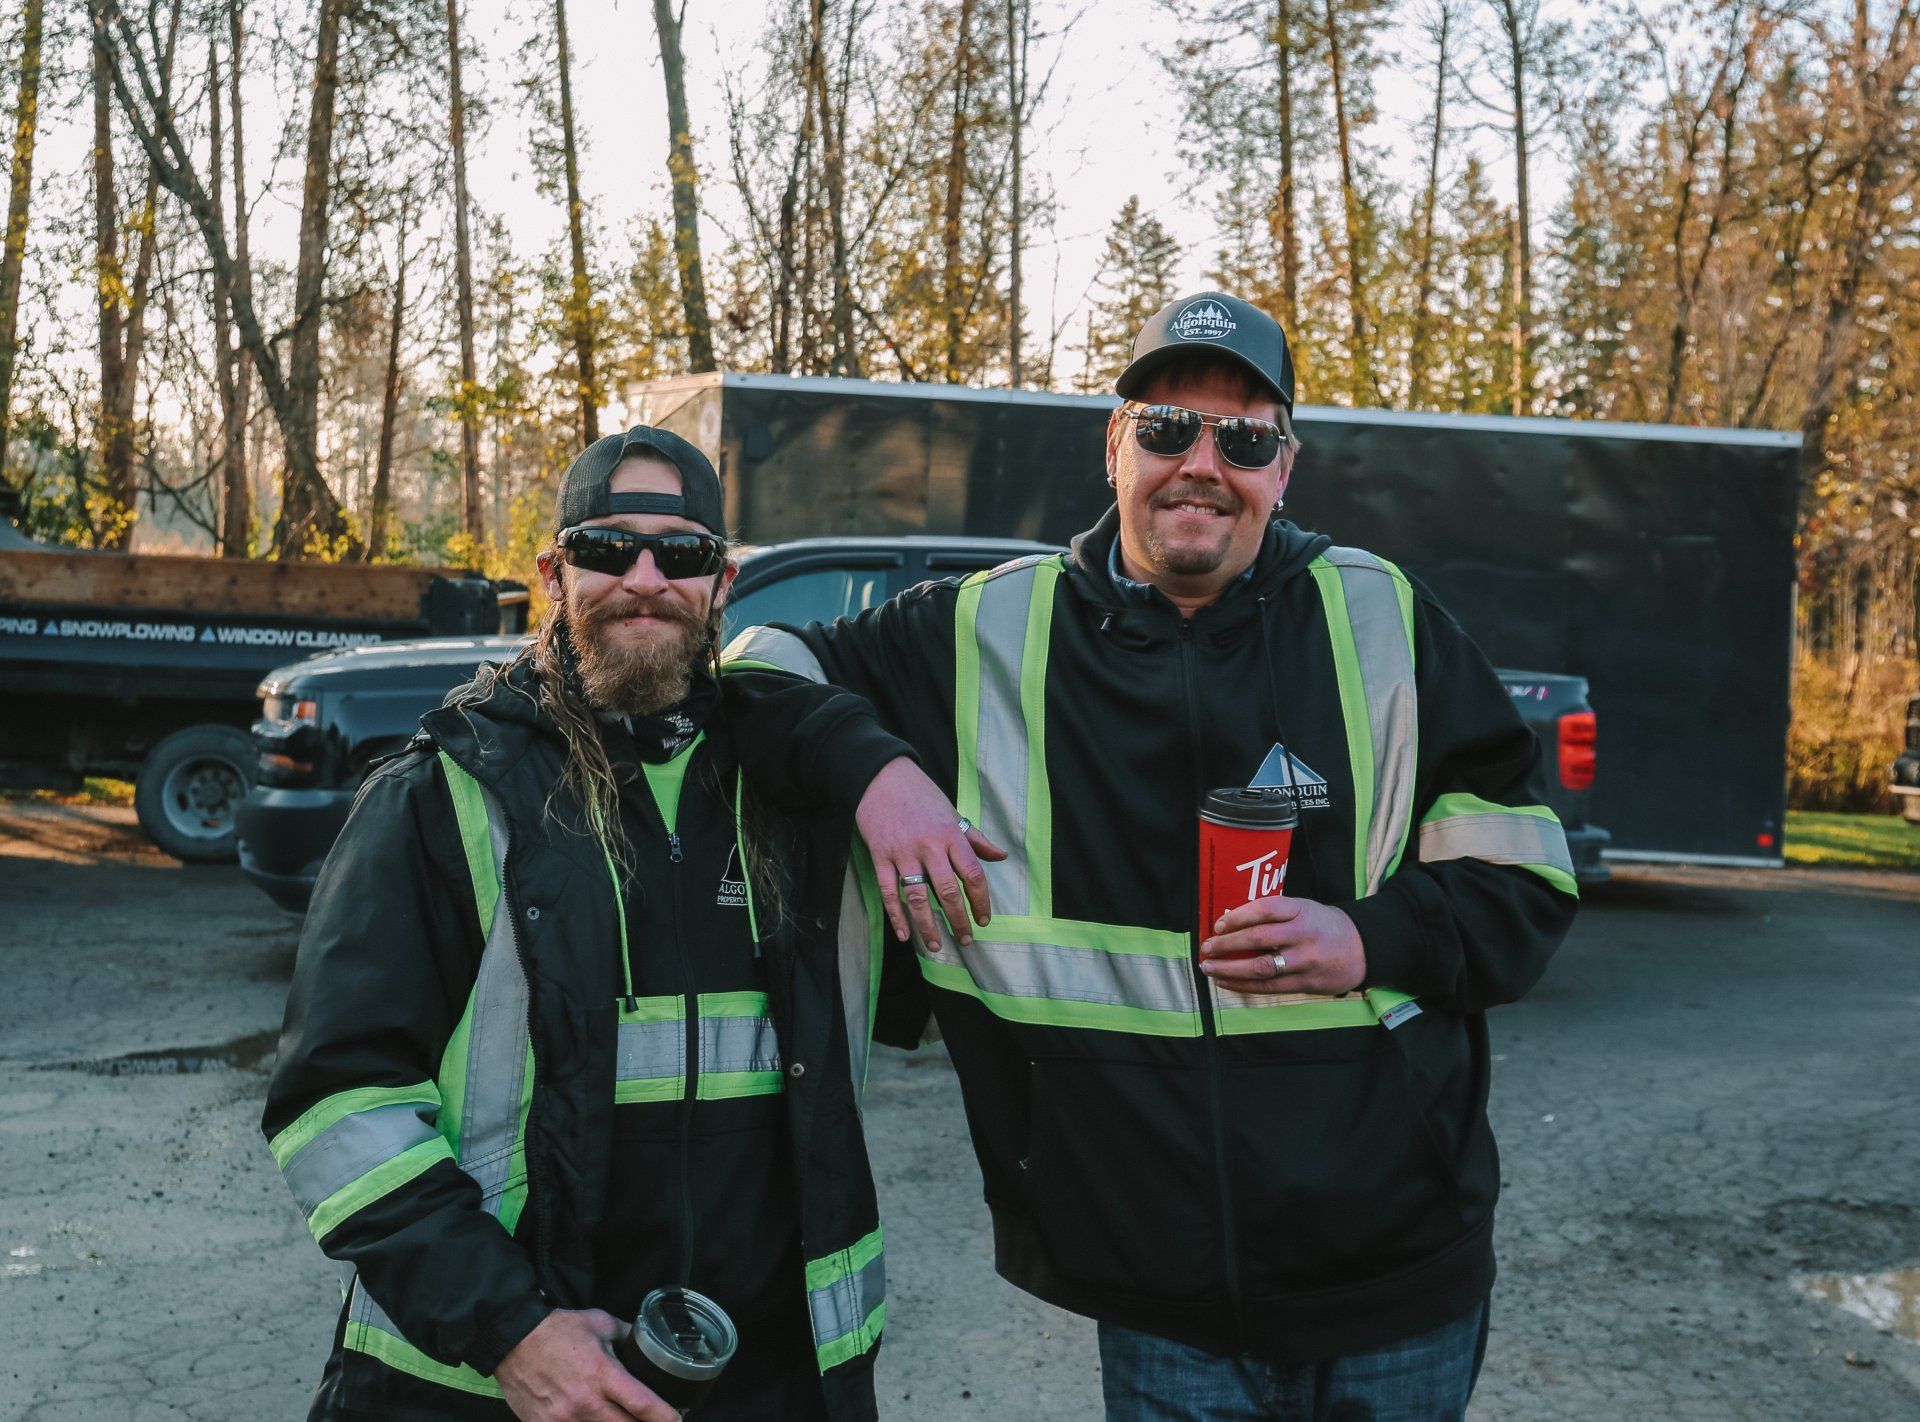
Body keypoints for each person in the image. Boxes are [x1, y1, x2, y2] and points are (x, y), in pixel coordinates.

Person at [729, 292, 1582, 1421]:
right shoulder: (988, 627)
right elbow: (752, 666)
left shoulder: (1383, 617)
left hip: (1398, 1271)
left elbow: (1528, 879)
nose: (1202, 466)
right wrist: (879, 775)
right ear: (1115, 446)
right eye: (1168, 427)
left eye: (1245, 440)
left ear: (1286, 469)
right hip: (1154, 1291)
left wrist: (1370, 938)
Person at [263, 426, 931, 1422]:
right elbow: (336, 1107)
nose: (644, 581)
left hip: (768, 1384)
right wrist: (510, 1332)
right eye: (608, 548)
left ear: (723, 584)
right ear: (553, 574)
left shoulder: (804, 801)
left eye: (682, 554)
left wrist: (883, 767)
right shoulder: (442, 794)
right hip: (494, 1386)